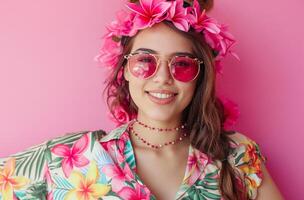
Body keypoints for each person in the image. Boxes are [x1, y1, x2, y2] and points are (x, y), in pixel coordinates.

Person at [0, 0, 283, 199]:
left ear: (200, 75)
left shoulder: (238, 157)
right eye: (145, 60)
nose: (162, 77)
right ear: (124, 70)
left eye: (182, 64)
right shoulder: (71, 157)